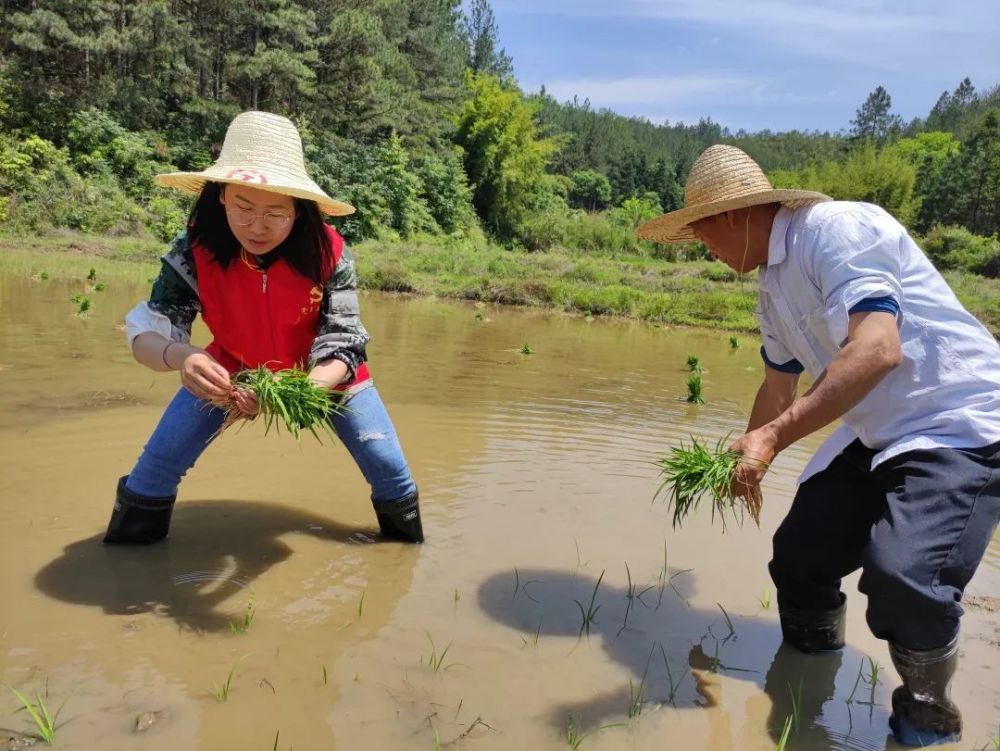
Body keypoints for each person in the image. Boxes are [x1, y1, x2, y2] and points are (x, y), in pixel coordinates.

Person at [637, 144, 1000, 747]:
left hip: (956, 420)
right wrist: (748, 453)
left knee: (904, 577)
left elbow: (880, 349)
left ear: (732, 216)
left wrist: (775, 437)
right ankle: (804, 682)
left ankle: (927, 718)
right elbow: (778, 387)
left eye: (704, 235)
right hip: (877, 429)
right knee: (800, 554)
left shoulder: (836, 230)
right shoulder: (771, 290)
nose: (707, 250)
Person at [103, 111, 423, 547]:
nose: (258, 226)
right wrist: (186, 358)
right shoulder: (194, 248)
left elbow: (345, 344)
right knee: (155, 467)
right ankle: (127, 562)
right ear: (220, 197)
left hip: (322, 375)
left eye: (276, 212)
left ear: (299, 209)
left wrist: (294, 391)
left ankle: (404, 550)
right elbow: (146, 333)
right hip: (229, 367)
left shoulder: (329, 253)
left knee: (387, 464)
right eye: (243, 207)